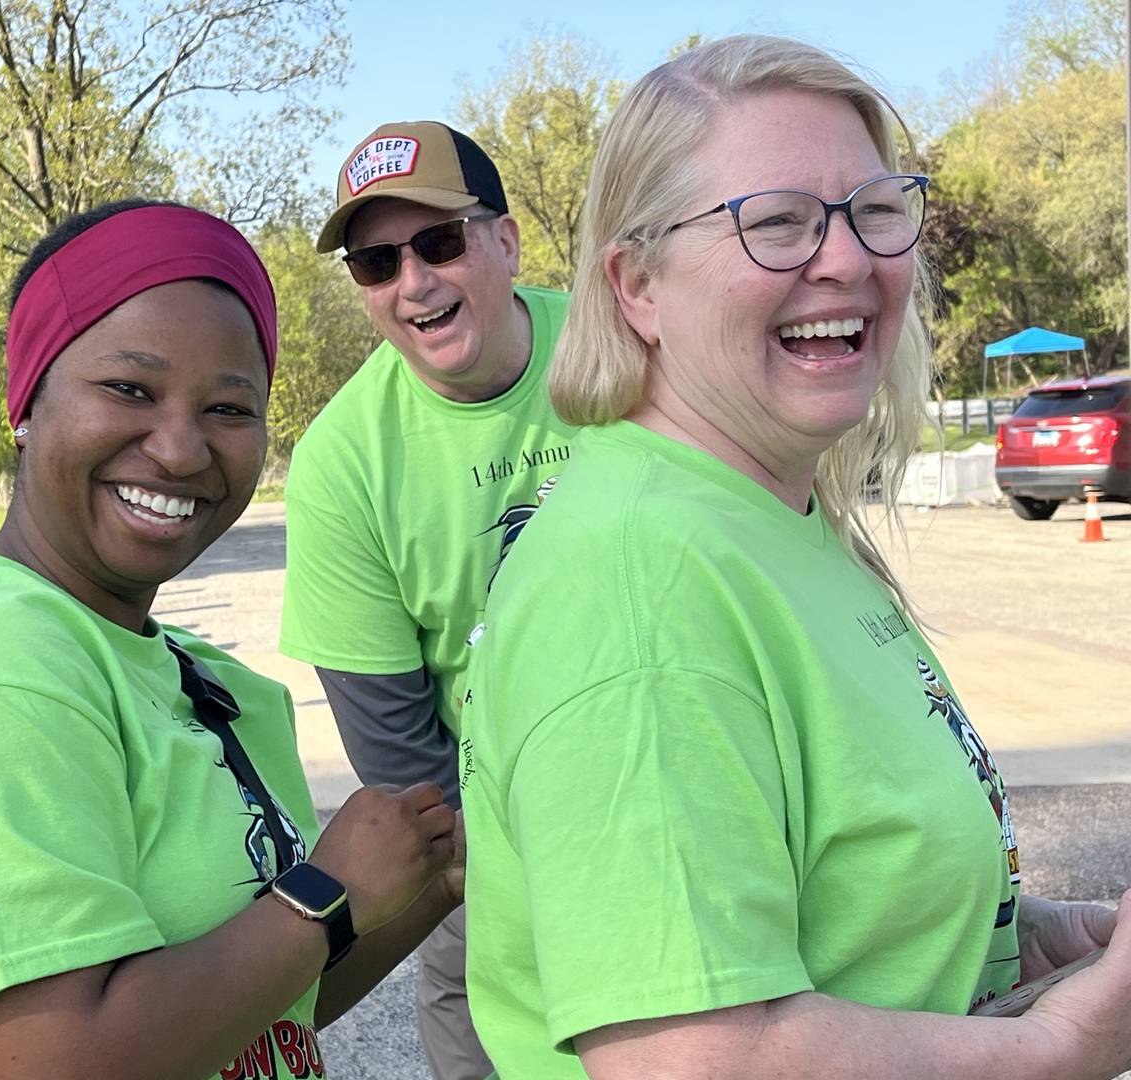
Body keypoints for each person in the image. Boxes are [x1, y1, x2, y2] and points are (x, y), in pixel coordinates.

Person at [459, 35, 1131, 1080]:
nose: (848, 258)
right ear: (638, 283)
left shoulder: (765, 514)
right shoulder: (638, 581)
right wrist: (1060, 1049)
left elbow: (819, 884)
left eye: (874, 209)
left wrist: (1018, 934)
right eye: (775, 222)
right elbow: (694, 1057)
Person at [0, 199, 466, 1080]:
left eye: (230, 407)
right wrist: (324, 896)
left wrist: (440, 874)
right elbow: (53, 1060)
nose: (183, 449)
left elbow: (262, 998)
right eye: (129, 389)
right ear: (25, 398)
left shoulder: (208, 683)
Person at [279, 120, 576, 1080]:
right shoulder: (343, 464)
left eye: (440, 241)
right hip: (492, 850)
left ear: (508, 240)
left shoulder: (620, 351)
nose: (413, 282)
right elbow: (406, 764)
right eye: (376, 261)